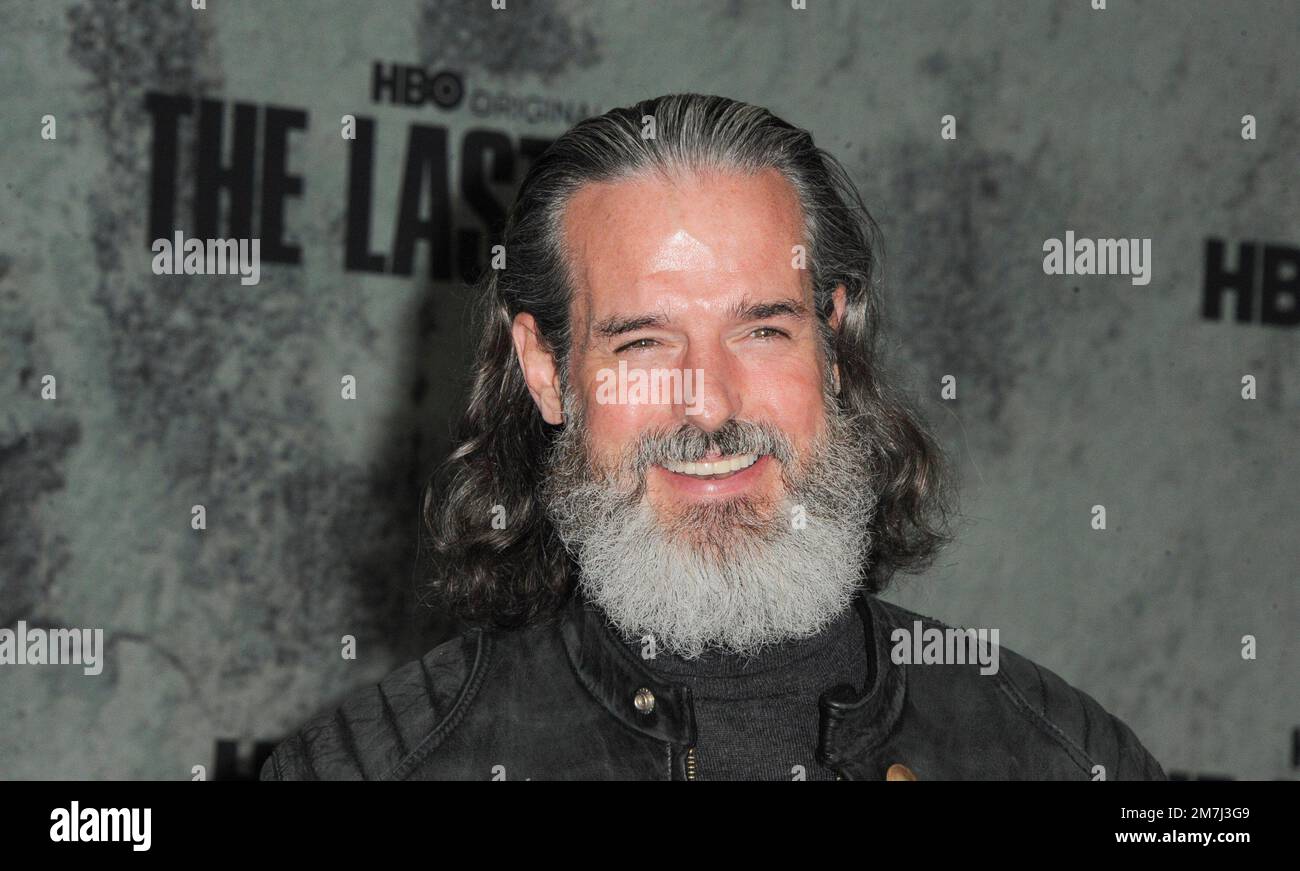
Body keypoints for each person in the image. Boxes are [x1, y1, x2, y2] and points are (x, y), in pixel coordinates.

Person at [261, 93, 1165, 781]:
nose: (709, 404)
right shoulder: (376, 766)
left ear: (836, 345)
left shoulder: (1059, 753)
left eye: (762, 329)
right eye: (645, 341)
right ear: (546, 371)